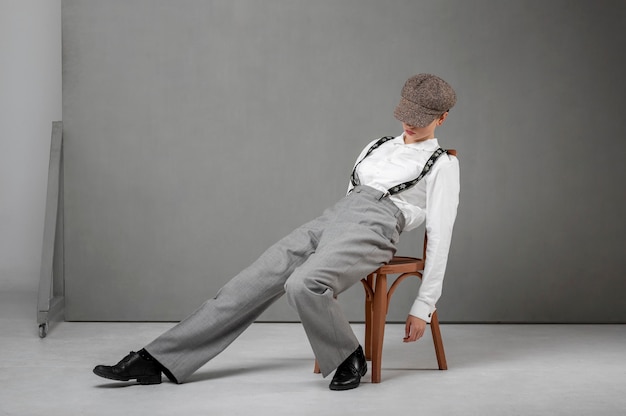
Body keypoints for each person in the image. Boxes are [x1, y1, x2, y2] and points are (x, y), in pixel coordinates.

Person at [93, 73, 460, 391]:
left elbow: (441, 235)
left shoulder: (442, 164)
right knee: (248, 283)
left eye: (421, 119)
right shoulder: (376, 146)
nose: (409, 124)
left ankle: (349, 355)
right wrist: (335, 227)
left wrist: (423, 307)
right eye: (406, 115)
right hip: (335, 217)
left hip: (378, 226)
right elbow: (350, 196)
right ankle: (158, 360)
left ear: (442, 118)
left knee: (303, 284)